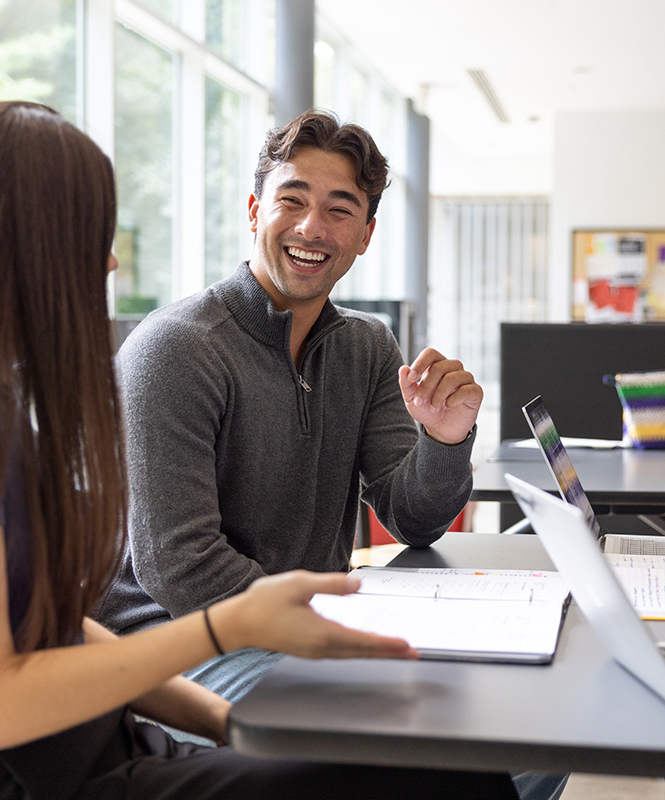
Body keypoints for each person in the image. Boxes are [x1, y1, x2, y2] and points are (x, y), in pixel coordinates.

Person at [0, 101, 522, 800]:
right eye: (91, 230)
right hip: (57, 774)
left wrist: (224, 723)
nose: (111, 258)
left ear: (366, 234)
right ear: (13, 238)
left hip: (116, 738)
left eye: (339, 209)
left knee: (467, 756)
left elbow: (52, 626)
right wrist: (235, 625)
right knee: (452, 771)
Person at [96, 109, 567, 800]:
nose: (312, 228)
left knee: (537, 735)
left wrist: (443, 439)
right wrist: (343, 625)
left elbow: (413, 518)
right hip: (183, 649)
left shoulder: (365, 347)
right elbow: (181, 569)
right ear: (256, 209)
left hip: (305, 627)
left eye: (339, 210)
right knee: (449, 751)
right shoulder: (177, 349)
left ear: (366, 235)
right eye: (291, 200)